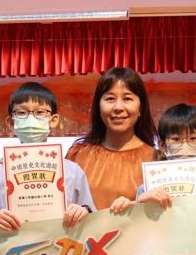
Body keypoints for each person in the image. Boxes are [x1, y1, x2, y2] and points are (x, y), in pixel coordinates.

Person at [0, 81, 93, 230]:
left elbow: (92, 220)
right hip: (12, 245)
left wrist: (83, 211)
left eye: (40, 112)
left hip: (61, 244)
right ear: (11, 122)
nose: (30, 119)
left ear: (53, 120)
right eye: (21, 113)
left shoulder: (73, 171)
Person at [67, 67, 161, 213]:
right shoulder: (77, 155)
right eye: (110, 99)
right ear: (98, 107)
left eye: (127, 99)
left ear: (141, 107)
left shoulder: (155, 159)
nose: (118, 107)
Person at [109, 103, 196, 213]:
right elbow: (140, 221)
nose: (184, 146)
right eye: (176, 139)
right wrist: (134, 205)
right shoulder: (147, 189)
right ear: (163, 145)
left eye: (193, 138)